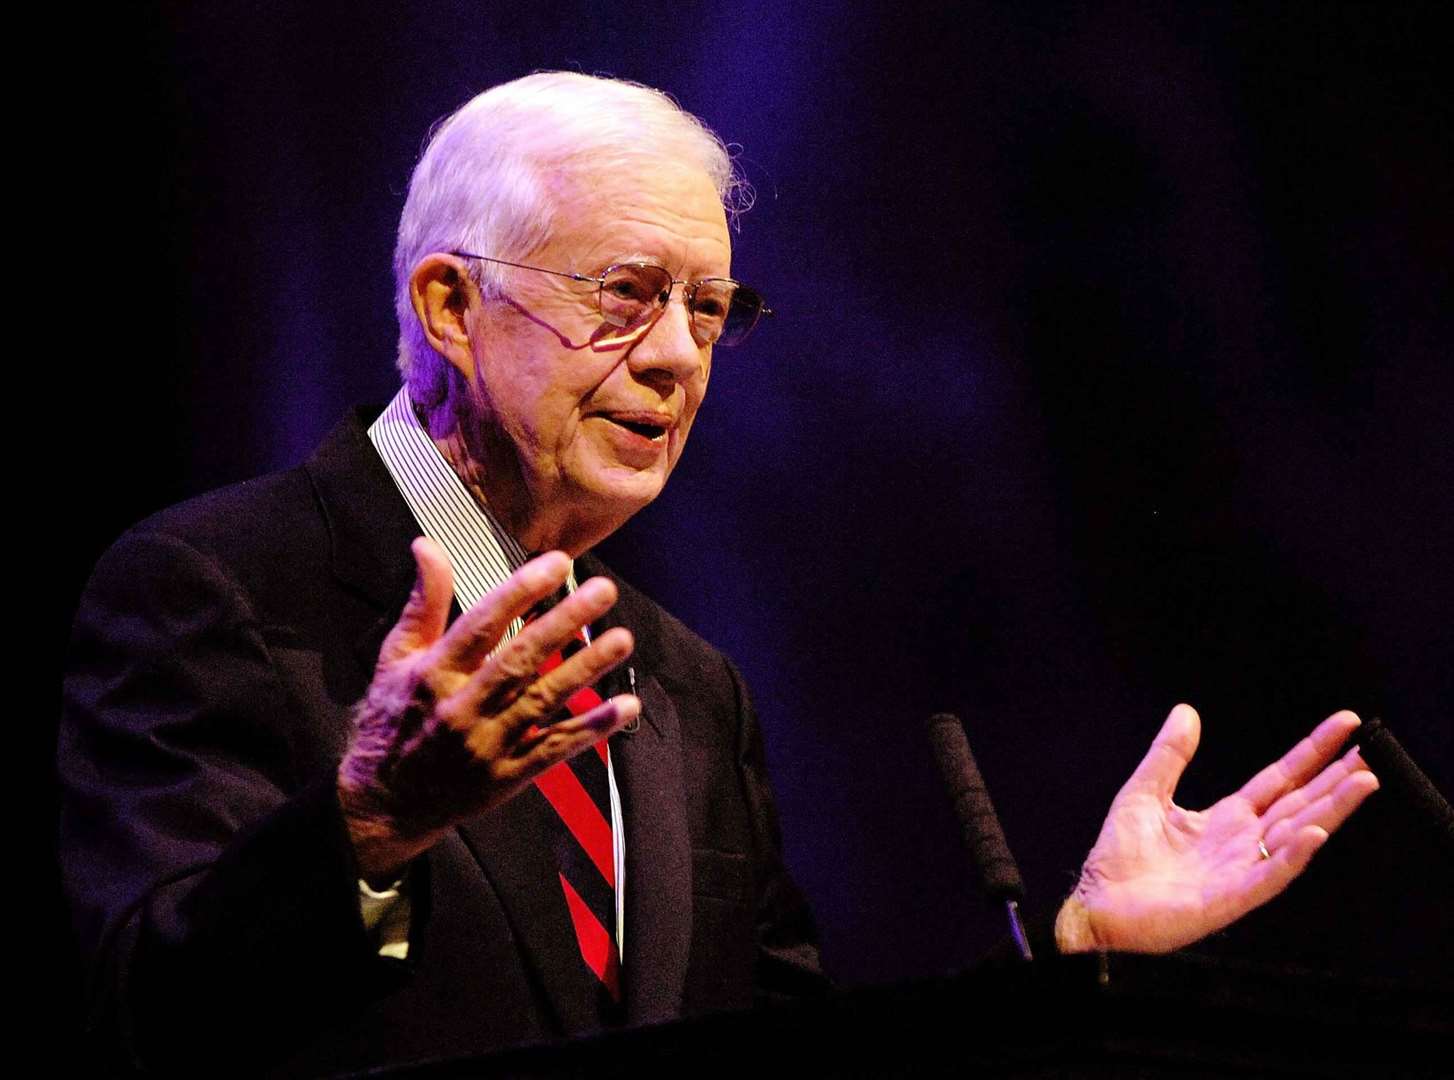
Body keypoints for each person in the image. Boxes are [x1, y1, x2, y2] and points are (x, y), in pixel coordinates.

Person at [59, 71, 1379, 1075]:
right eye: (627, 294)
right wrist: (368, 830)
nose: (681, 356)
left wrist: (1076, 966)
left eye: (710, 309)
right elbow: (138, 1021)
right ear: (450, 307)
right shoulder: (213, 586)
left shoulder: (687, 689)